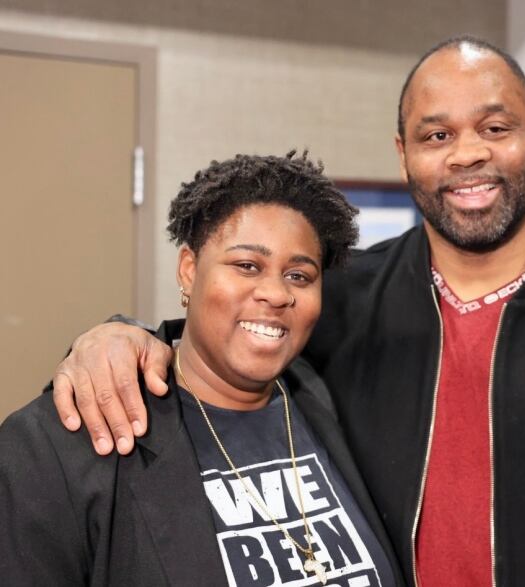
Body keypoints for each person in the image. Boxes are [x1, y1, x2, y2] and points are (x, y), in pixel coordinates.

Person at [47, 36, 525, 586]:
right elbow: (230, 341)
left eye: (496, 128)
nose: (467, 155)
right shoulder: (340, 301)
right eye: (436, 135)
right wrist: (125, 335)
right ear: (404, 154)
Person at [0, 152, 403, 586]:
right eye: (247, 265)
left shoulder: (322, 395)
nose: (275, 292)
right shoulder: (55, 443)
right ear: (189, 271)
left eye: (299, 276)